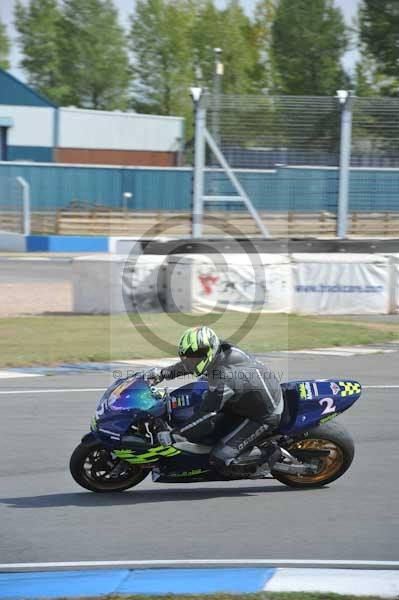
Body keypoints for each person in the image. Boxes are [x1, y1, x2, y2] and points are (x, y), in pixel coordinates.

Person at [144, 325, 284, 469]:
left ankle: (270, 453)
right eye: (188, 356)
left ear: (208, 351)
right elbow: (191, 363)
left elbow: (208, 413)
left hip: (262, 415)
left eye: (194, 356)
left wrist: (175, 435)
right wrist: (163, 373)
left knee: (221, 458)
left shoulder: (224, 377)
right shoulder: (217, 350)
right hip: (245, 398)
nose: (191, 360)